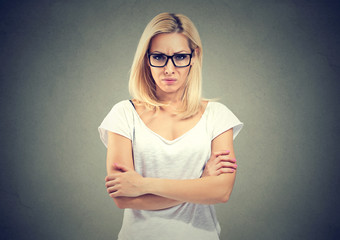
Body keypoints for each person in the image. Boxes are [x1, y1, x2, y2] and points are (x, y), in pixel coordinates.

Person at [98, 12, 243, 240]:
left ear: (194, 56)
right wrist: (201, 185)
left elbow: (221, 191)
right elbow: (122, 198)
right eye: (159, 57)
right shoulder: (123, 114)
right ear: (146, 59)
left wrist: (143, 184)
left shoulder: (218, 116)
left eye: (179, 56)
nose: (169, 69)